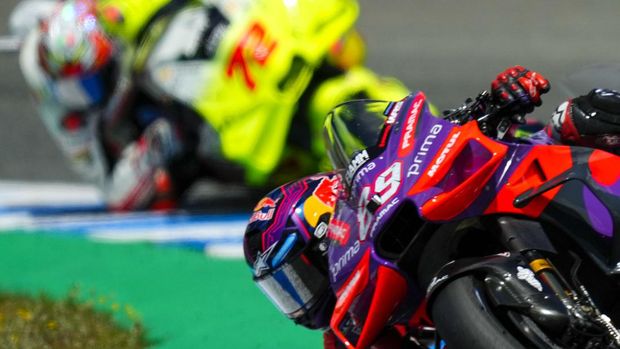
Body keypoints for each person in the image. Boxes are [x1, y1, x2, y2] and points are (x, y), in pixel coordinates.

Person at [242, 66, 620, 348]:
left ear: (329, 229)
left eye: (295, 277)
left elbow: (434, 138)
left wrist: (497, 99)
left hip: (526, 168)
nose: (300, 300)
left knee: (583, 114)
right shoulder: (347, 336)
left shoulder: (370, 211)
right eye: (284, 290)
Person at [19, 0, 409, 210]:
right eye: (81, 84)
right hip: (232, 142)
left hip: (252, 47)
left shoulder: (117, 13)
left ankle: (415, 135)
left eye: (96, 74)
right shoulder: (82, 117)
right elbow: (116, 191)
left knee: (345, 67)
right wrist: (157, 148)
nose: (94, 87)